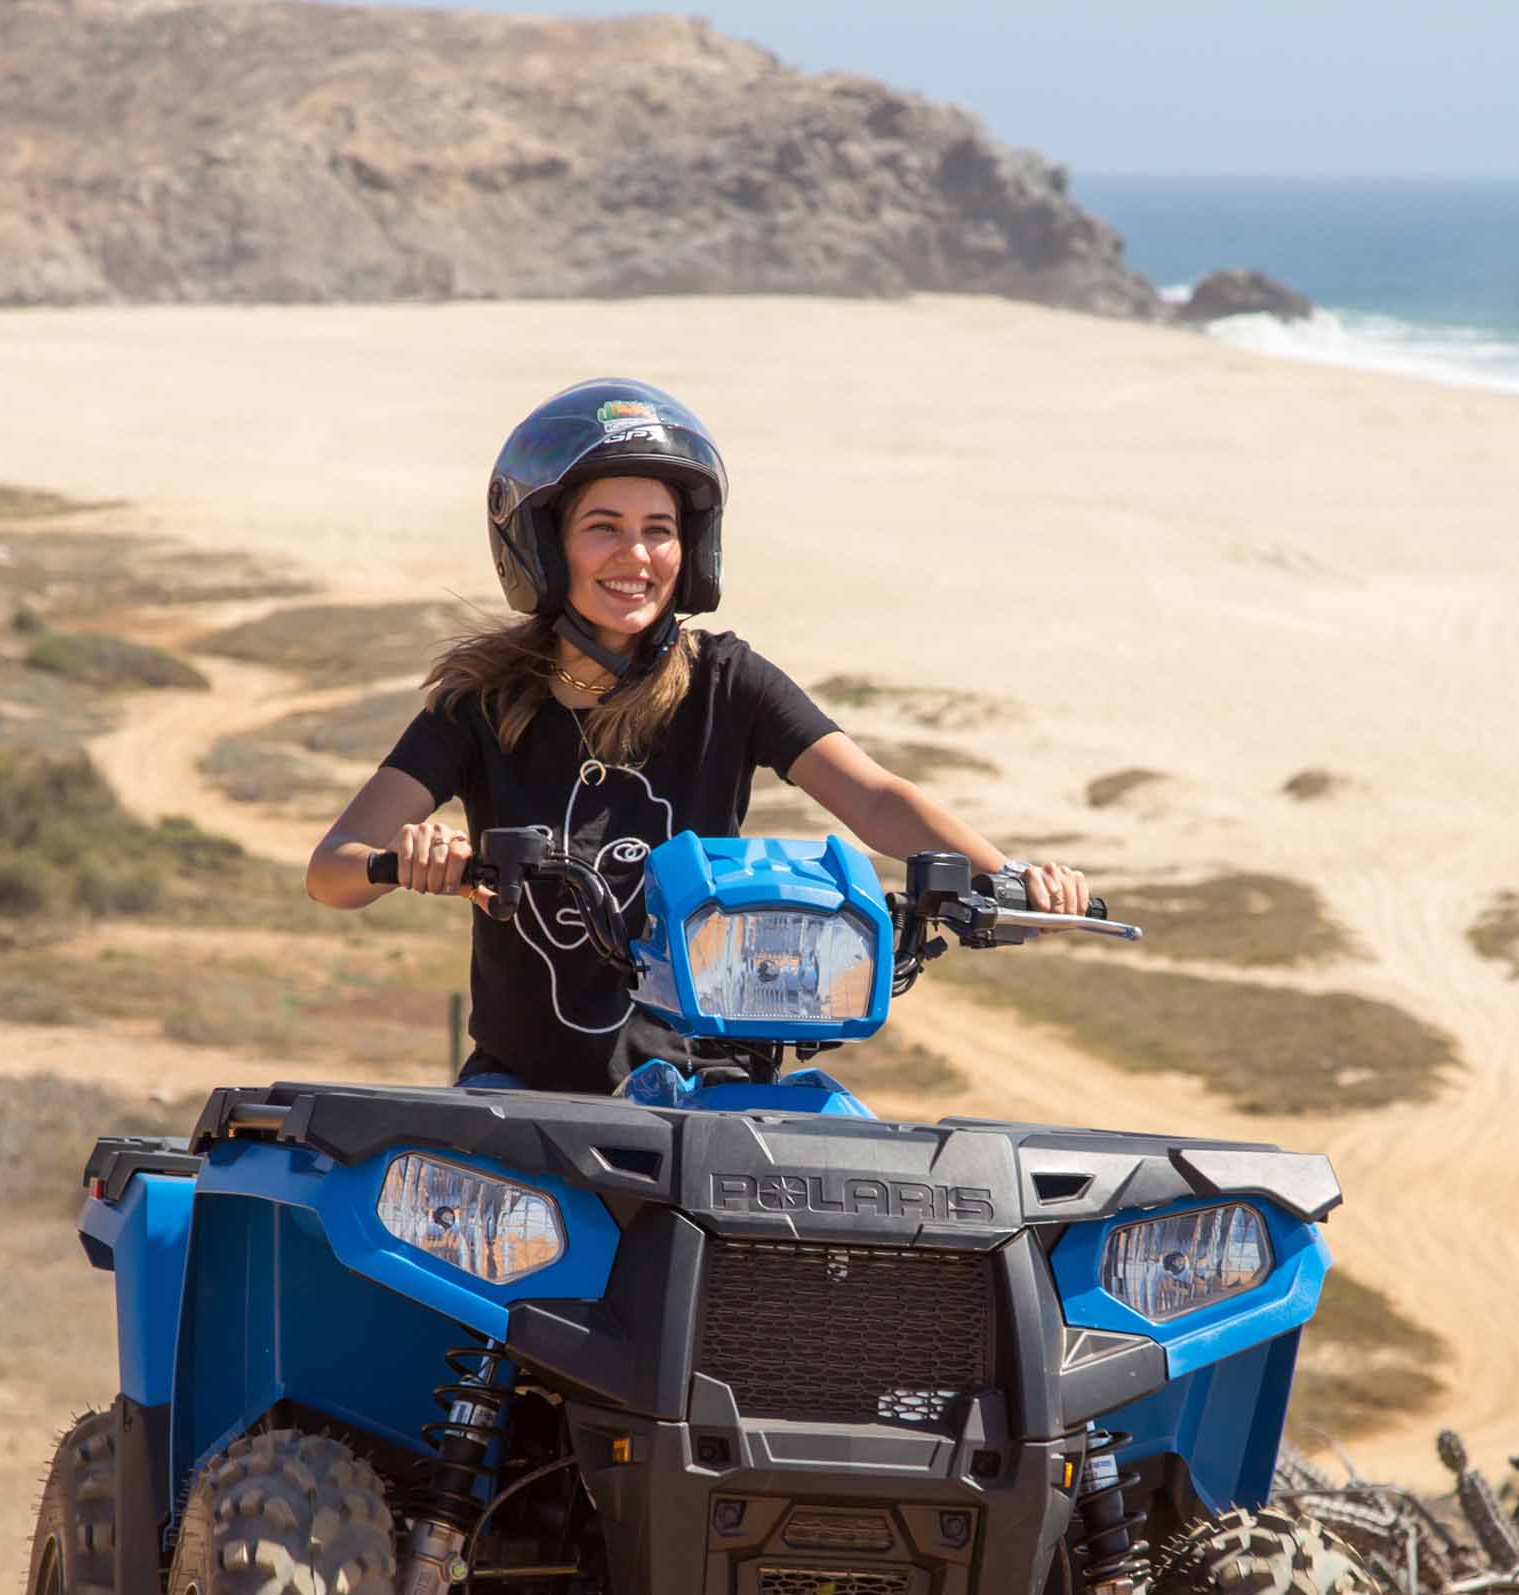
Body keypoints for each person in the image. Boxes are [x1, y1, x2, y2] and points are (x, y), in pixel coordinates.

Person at [307, 378, 1088, 1095]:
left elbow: (876, 797)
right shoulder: (484, 703)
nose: (636, 556)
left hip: (713, 1080)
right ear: (545, 547)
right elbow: (329, 872)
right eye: (601, 528)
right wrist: (408, 862)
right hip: (528, 1090)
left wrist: (1011, 882)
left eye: (659, 530)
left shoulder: (726, 681)